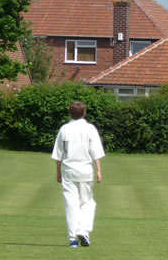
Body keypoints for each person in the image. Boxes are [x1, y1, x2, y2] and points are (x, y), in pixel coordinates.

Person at [51, 100, 106, 248]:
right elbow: (96, 152)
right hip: (85, 171)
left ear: (70, 113)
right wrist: (99, 171)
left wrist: (58, 172)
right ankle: (83, 231)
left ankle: (73, 239)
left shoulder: (64, 128)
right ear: (84, 113)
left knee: (71, 204)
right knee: (87, 202)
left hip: (68, 171)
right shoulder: (90, 129)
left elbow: (59, 154)